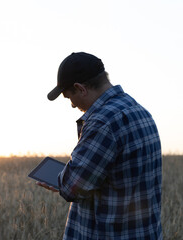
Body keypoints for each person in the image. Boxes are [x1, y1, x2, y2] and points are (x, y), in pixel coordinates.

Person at [37, 52, 162, 239]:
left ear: (80, 89)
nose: (71, 105)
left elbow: (73, 187)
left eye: (68, 96)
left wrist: (63, 180)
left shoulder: (102, 122)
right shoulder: (139, 111)